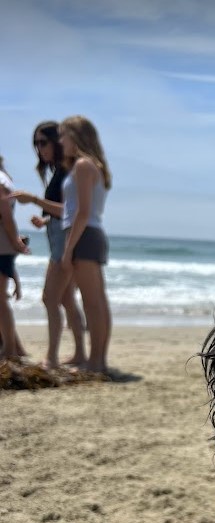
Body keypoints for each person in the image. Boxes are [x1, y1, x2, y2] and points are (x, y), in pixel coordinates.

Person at [13, 122, 86, 369]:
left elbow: (72, 211)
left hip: (66, 242)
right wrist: (45, 219)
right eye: (35, 143)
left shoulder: (69, 170)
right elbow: (64, 213)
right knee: (65, 298)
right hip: (61, 237)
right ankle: (79, 354)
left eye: (43, 142)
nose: (39, 148)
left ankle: (52, 357)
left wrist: (34, 200)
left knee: (49, 297)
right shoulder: (60, 171)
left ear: (57, 141)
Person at [60, 116, 112, 373]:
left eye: (64, 135)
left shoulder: (83, 165)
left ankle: (95, 362)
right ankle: (98, 360)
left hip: (85, 235)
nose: (61, 142)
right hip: (92, 233)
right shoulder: (94, 165)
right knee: (98, 302)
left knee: (93, 303)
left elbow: (81, 212)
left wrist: (68, 249)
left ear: (76, 136)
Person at [0, 155, 30, 362]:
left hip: (1, 246)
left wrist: (15, 241)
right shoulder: (4, 178)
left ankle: (9, 350)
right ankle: (15, 348)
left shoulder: (1, 181)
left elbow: (6, 216)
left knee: (0, 300)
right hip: (4, 245)